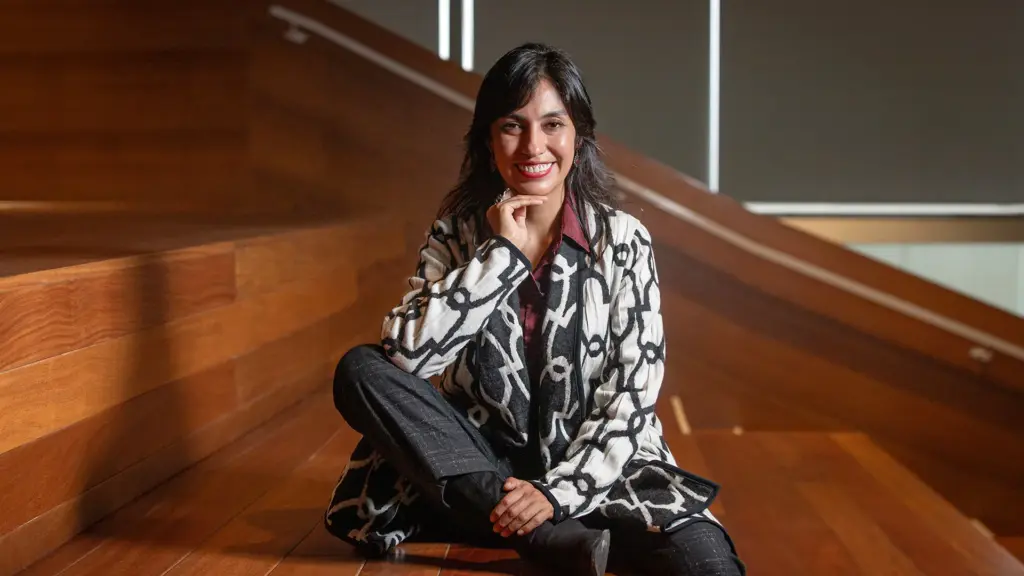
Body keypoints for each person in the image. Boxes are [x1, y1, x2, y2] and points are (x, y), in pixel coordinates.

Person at [324, 42, 745, 576]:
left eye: (552, 125)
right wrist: (502, 256)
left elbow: (633, 393)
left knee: (708, 563)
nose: (533, 146)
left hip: (604, 473)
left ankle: (553, 528)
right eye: (512, 126)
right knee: (361, 369)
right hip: (485, 470)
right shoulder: (457, 235)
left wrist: (556, 493)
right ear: (488, 140)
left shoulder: (624, 239)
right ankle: (543, 538)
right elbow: (409, 357)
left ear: (578, 137)